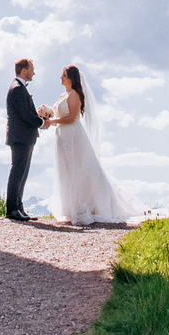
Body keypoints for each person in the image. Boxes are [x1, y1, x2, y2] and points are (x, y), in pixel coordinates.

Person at [48, 63, 131, 226]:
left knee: (80, 169)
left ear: (70, 78)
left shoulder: (74, 95)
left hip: (73, 135)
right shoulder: (63, 96)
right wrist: (46, 114)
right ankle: (71, 207)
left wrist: (53, 121)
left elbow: (71, 117)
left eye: (63, 75)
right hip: (63, 136)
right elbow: (57, 112)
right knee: (67, 170)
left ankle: (85, 205)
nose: (60, 77)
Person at [3, 57, 47, 221]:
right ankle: (12, 210)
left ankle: (18, 208)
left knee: (22, 172)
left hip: (24, 137)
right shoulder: (17, 89)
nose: (34, 72)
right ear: (24, 70)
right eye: (32, 69)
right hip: (20, 137)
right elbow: (25, 115)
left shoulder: (19, 88)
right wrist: (41, 122)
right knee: (18, 172)